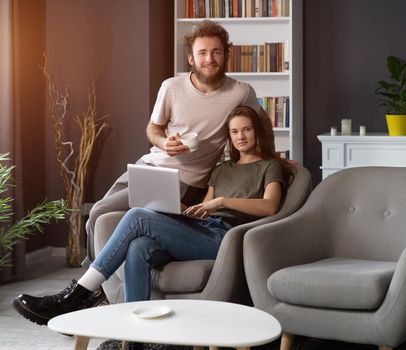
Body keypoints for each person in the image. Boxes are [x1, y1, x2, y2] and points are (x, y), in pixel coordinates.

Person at [12, 105, 292, 326]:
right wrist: (181, 210)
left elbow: (270, 206)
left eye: (247, 130)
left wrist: (220, 201)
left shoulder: (270, 166)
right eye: (234, 132)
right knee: (139, 246)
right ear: (228, 137)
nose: (241, 136)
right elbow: (203, 210)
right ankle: (135, 333)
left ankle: (79, 294)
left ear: (258, 133)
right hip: (205, 230)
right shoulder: (222, 169)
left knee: (138, 217)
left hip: (228, 237)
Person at [82, 20, 276, 266]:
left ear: (227, 54)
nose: (210, 59)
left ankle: (93, 285)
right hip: (148, 165)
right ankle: (95, 282)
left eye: (216, 52)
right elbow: (153, 128)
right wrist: (164, 142)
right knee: (98, 212)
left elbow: (263, 123)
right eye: (202, 53)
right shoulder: (171, 86)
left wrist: (273, 158)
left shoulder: (241, 92)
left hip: (183, 180)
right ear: (191, 59)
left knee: (106, 215)